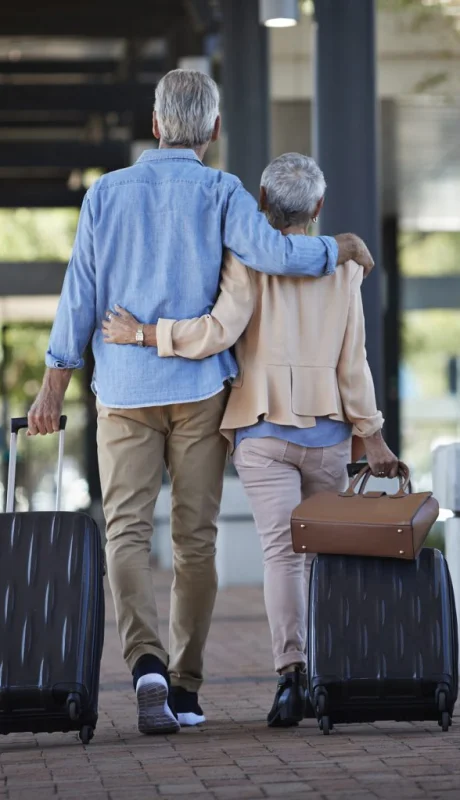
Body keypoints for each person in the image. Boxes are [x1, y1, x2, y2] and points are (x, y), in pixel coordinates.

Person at [28, 69, 375, 737]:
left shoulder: (105, 193)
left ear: (156, 125)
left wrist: (53, 384)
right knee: (195, 541)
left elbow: (80, 293)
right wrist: (338, 248)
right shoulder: (223, 191)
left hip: (124, 391)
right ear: (214, 129)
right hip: (199, 393)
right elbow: (273, 252)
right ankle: (185, 688)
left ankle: (146, 664)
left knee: (126, 533)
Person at [105, 152, 398, 728]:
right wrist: (372, 434)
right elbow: (353, 363)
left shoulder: (245, 261)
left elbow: (218, 332)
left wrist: (145, 334)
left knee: (282, 554)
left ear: (261, 202)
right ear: (318, 207)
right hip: (328, 432)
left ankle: (291, 678)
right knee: (321, 556)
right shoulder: (345, 270)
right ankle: (329, 675)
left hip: (262, 430)